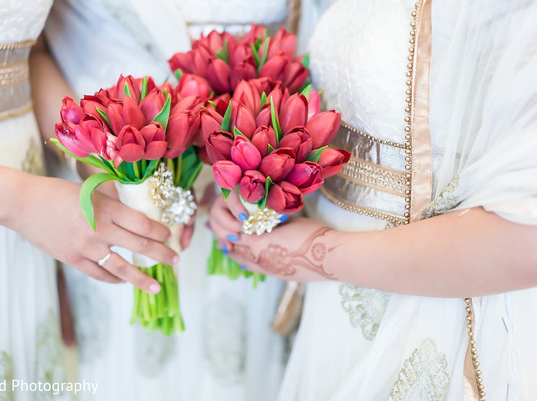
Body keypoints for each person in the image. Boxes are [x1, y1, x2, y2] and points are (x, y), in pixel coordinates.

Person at [209, 0, 537, 400]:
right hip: (331, 305)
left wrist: (318, 253)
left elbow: (527, 240)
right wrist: (256, 188)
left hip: (437, 307)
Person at [38, 0, 329, 399]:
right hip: (109, 196)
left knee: (241, 365)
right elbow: (30, 49)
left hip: (256, 190)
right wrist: (93, 164)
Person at [0, 1, 178, 400]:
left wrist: (93, 163)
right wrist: (22, 202)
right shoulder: (25, 204)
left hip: (28, 228)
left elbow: (23, 54)